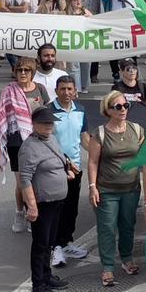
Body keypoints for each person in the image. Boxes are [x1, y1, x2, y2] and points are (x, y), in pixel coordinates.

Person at [86, 91, 146, 287]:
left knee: (127, 225)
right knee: (107, 228)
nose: (123, 109)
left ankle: (126, 258)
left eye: (126, 105)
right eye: (118, 106)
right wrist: (92, 187)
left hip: (131, 189)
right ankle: (108, 267)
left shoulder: (137, 130)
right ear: (108, 110)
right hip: (106, 190)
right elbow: (92, 162)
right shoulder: (100, 133)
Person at [0, 56, 50, 233]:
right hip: (16, 141)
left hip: (37, 140)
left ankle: (33, 211)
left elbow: (47, 115)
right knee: (22, 182)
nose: (23, 73)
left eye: (26, 70)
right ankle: (20, 213)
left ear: (33, 72)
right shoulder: (8, 91)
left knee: (36, 180)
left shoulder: (40, 89)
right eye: (19, 70)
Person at [18, 107, 71, 292]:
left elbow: (59, 159)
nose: (48, 125)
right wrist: (32, 206)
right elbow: (24, 178)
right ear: (34, 124)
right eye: (44, 122)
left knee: (49, 242)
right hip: (43, 203)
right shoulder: (29, 147)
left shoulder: (51, 138)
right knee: (41, 244)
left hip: (57, 201)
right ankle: (38, 283)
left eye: (50, 122)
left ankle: (47, 276)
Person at [48, 76, 89, 268]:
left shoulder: (80, 110)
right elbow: (47, 141)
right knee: (57, 209)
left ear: (75, 91)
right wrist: (64, 161)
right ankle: (54, 247)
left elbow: (84, 138)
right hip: (55, 169)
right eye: (62, 89)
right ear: (56, 91)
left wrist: (99, 152)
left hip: (76, 168)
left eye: (70, 89)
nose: (66, 92)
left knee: (71, 209)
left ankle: (66, 243)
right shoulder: (48, 111)